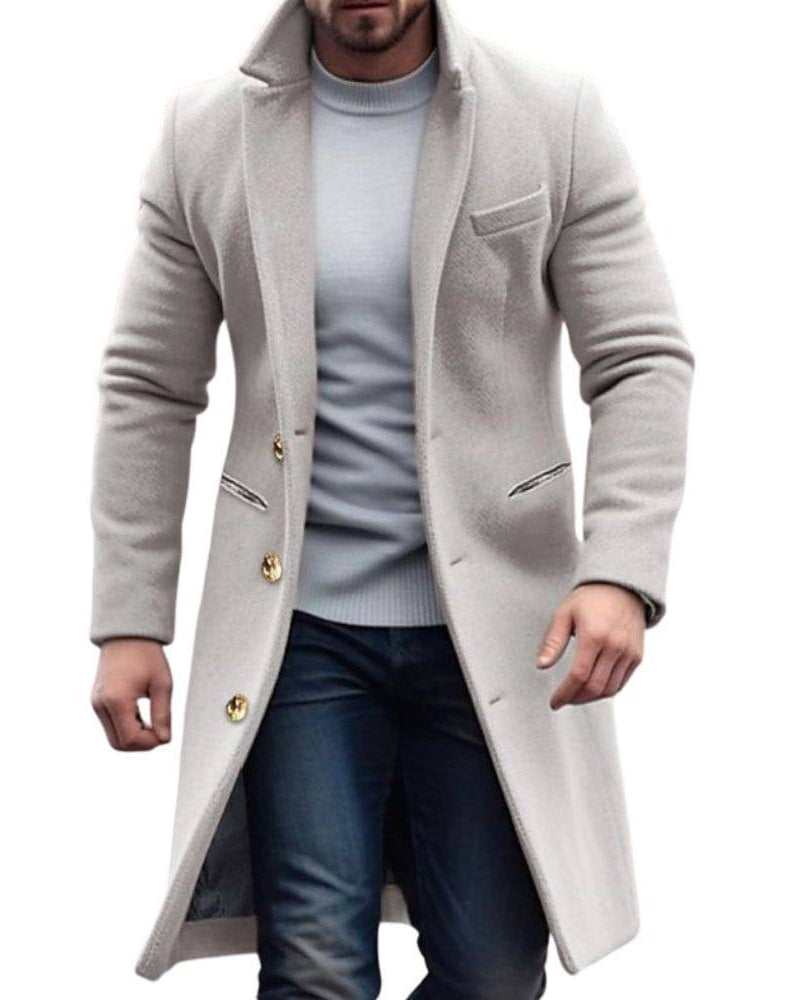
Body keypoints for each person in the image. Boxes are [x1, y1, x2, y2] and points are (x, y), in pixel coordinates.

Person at [89, 0, 695, 996]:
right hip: (298, 633)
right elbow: (149, 385)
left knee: (492, 975)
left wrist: (621, 571)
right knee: (316, 970)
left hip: (501, 631)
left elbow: (638, 359)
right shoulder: (206, 134)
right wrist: (128, 621)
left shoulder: (553, 117)